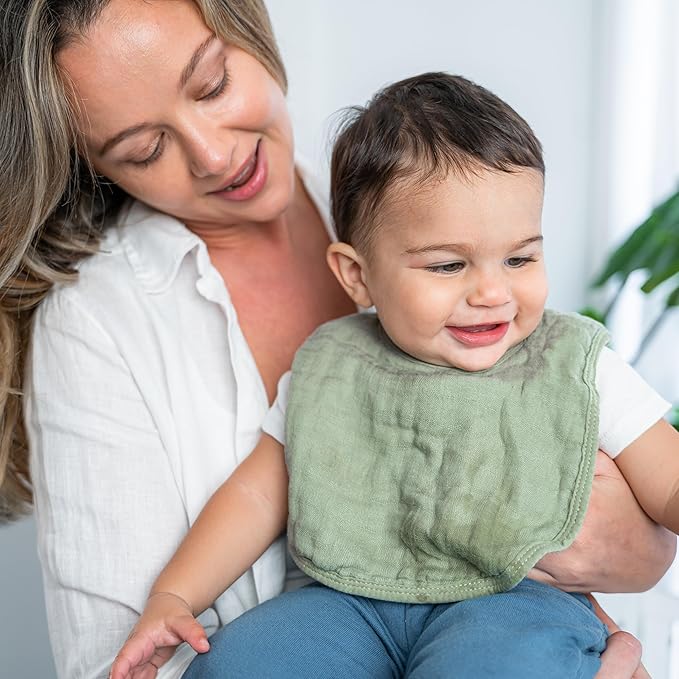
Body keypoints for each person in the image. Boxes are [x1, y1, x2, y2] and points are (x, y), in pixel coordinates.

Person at [0, 0, 671, 676]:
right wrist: (175, 595)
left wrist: (645, 550)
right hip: (348, 604)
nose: (213, 154)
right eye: (145, 149)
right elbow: (257, 494)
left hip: (505, 605)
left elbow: (663, 479)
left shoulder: (561, 348)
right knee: (241, 661)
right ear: (356, 275)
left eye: (212, 84)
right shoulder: (323, 359)